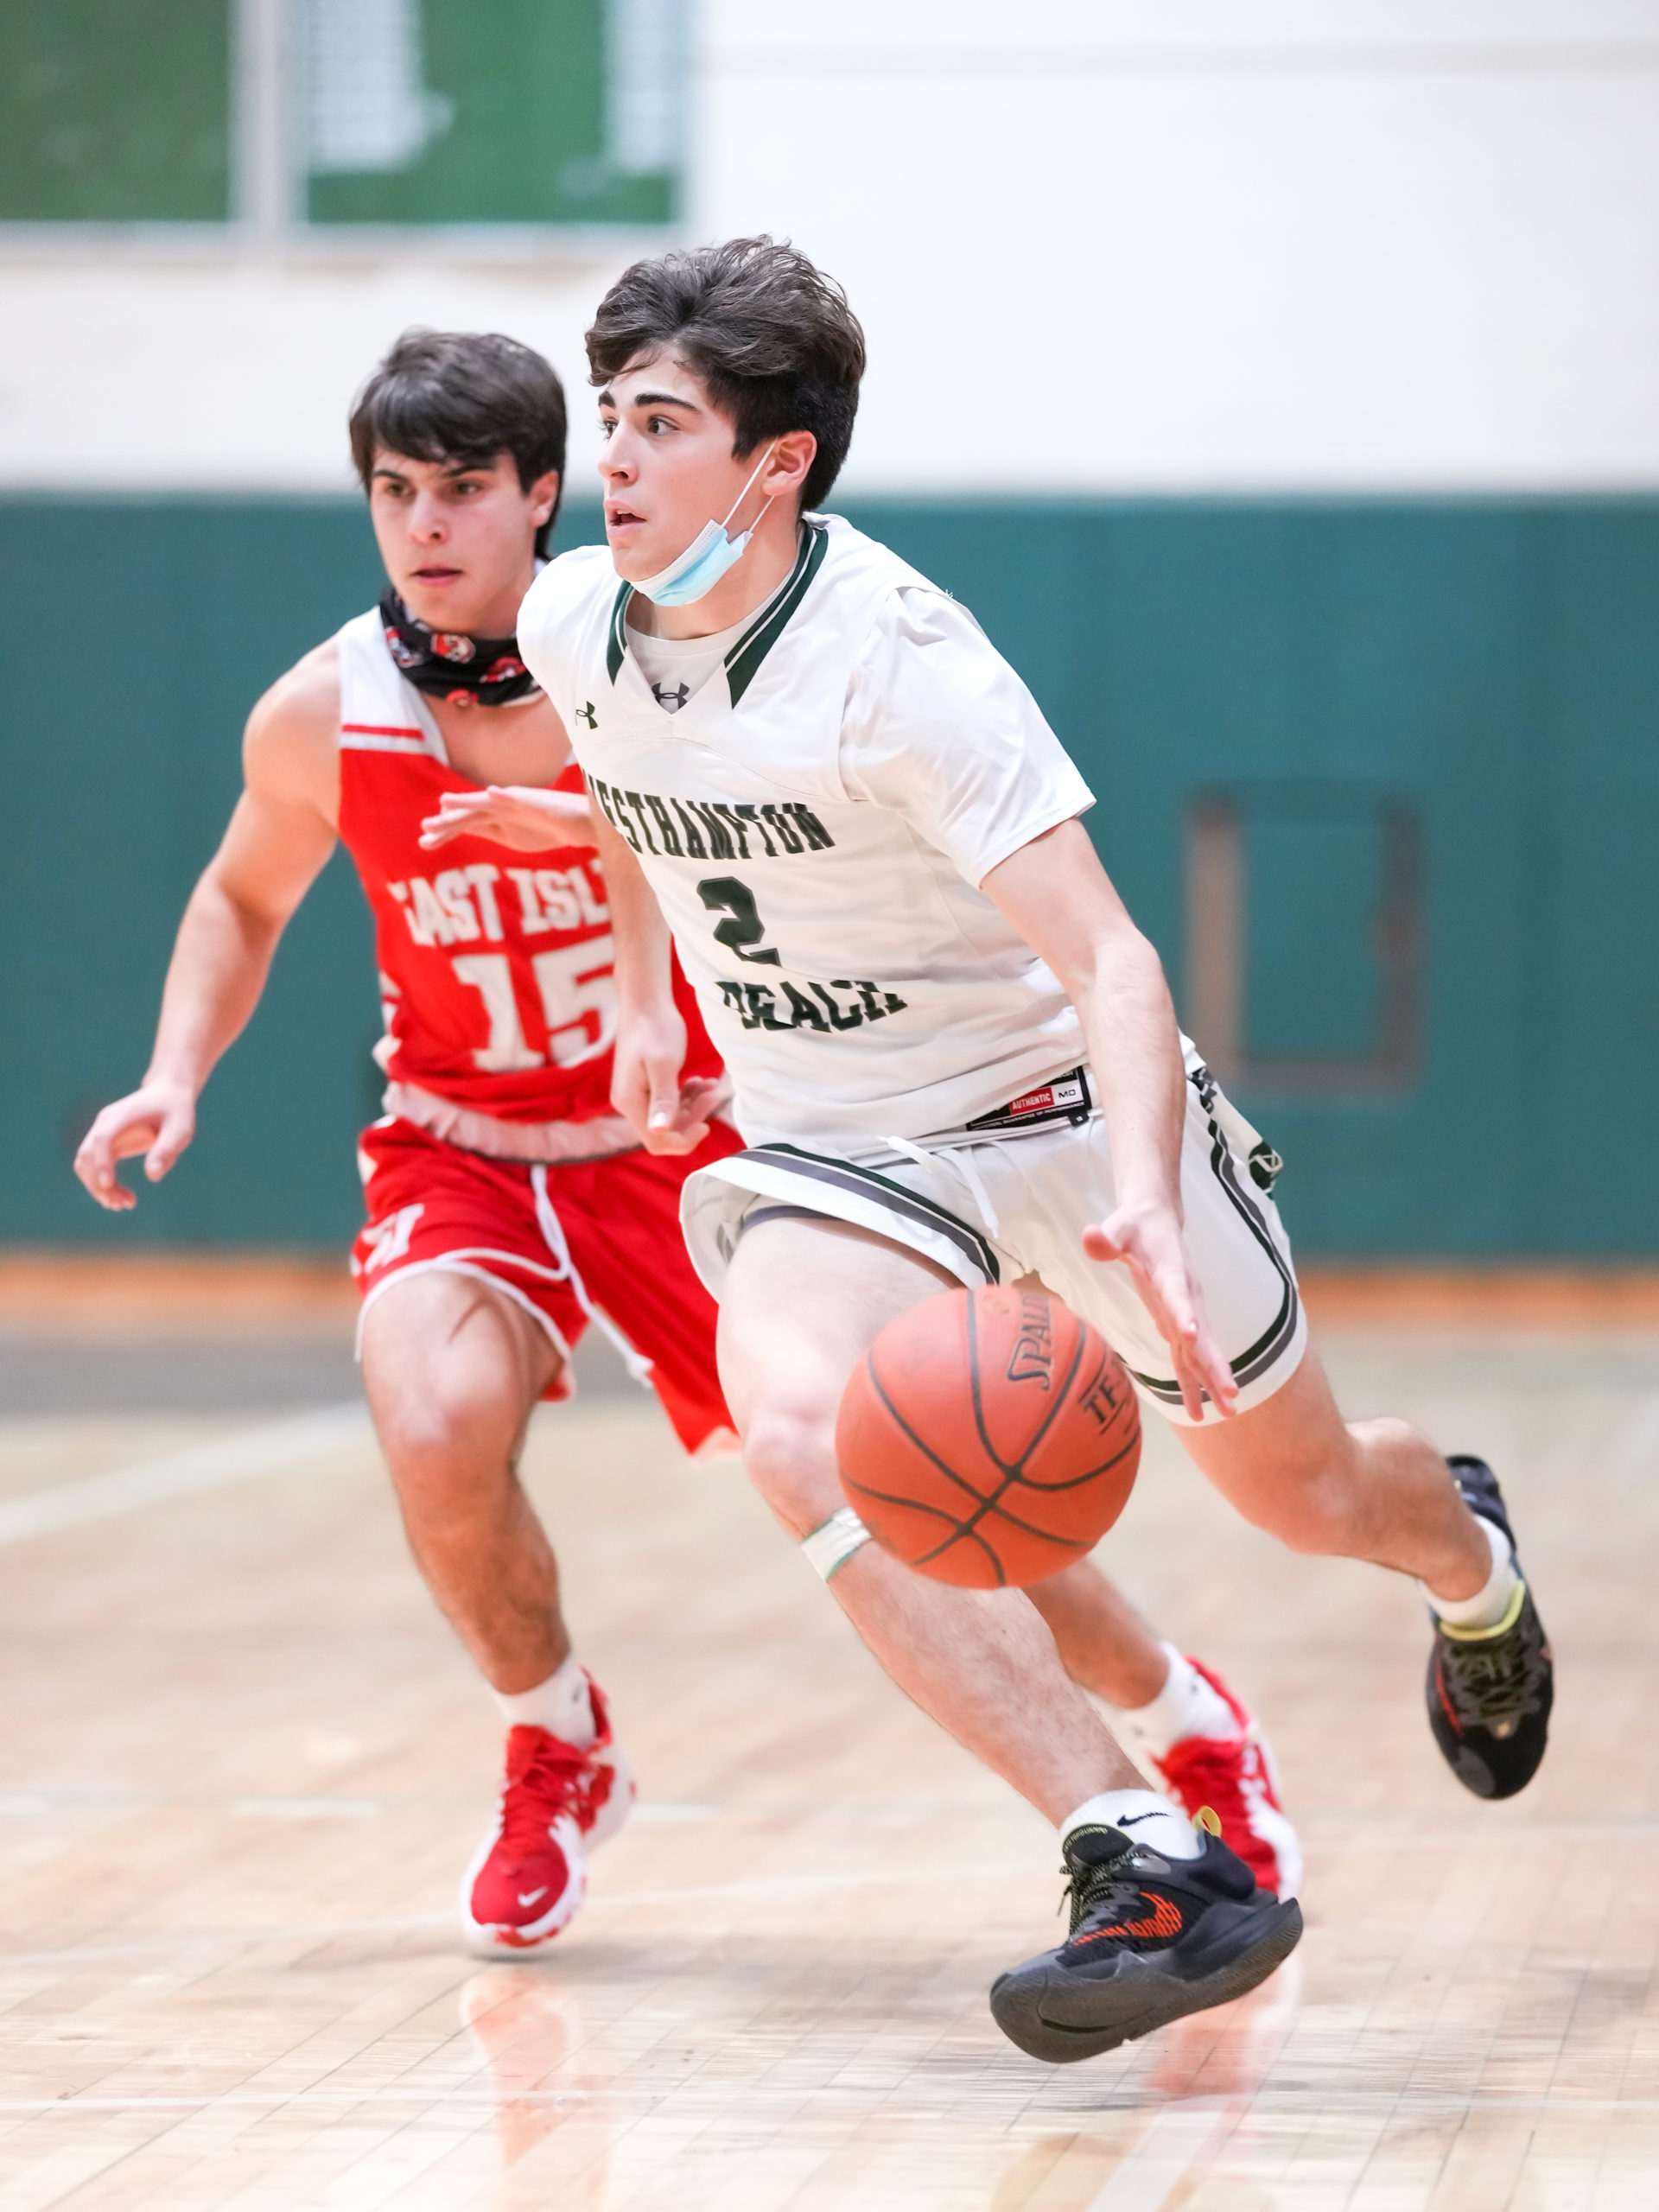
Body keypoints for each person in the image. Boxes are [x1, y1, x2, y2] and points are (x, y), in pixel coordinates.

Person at [73, 327, 1300, 1967]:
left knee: (936, 1475)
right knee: (430, 1414)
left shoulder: (640, 651)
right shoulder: (323, 713)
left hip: (685, 1145)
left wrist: (654, 1006)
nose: (423, 526)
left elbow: (676, 820)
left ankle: (1176, 1708)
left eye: (459, 491)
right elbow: (239, 896)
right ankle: (556, 1738)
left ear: (540, 498)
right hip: (465, 1136)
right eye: (391, 493)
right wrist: (172, 1075)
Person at [505, 238, 1553, 2063]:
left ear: (776, 466)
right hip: (848, 1142)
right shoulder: (570, 621)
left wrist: (1144, 1193)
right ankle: (1143, 1851)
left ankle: (1470, 1555)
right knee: (795, 1426)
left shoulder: (904, 661)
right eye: (611, 416)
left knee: (1303, 1500)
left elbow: (1116, 957)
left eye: (660, 423)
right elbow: (618, 779)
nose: (615, 455)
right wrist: (656, 997)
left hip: (1059, 1109)